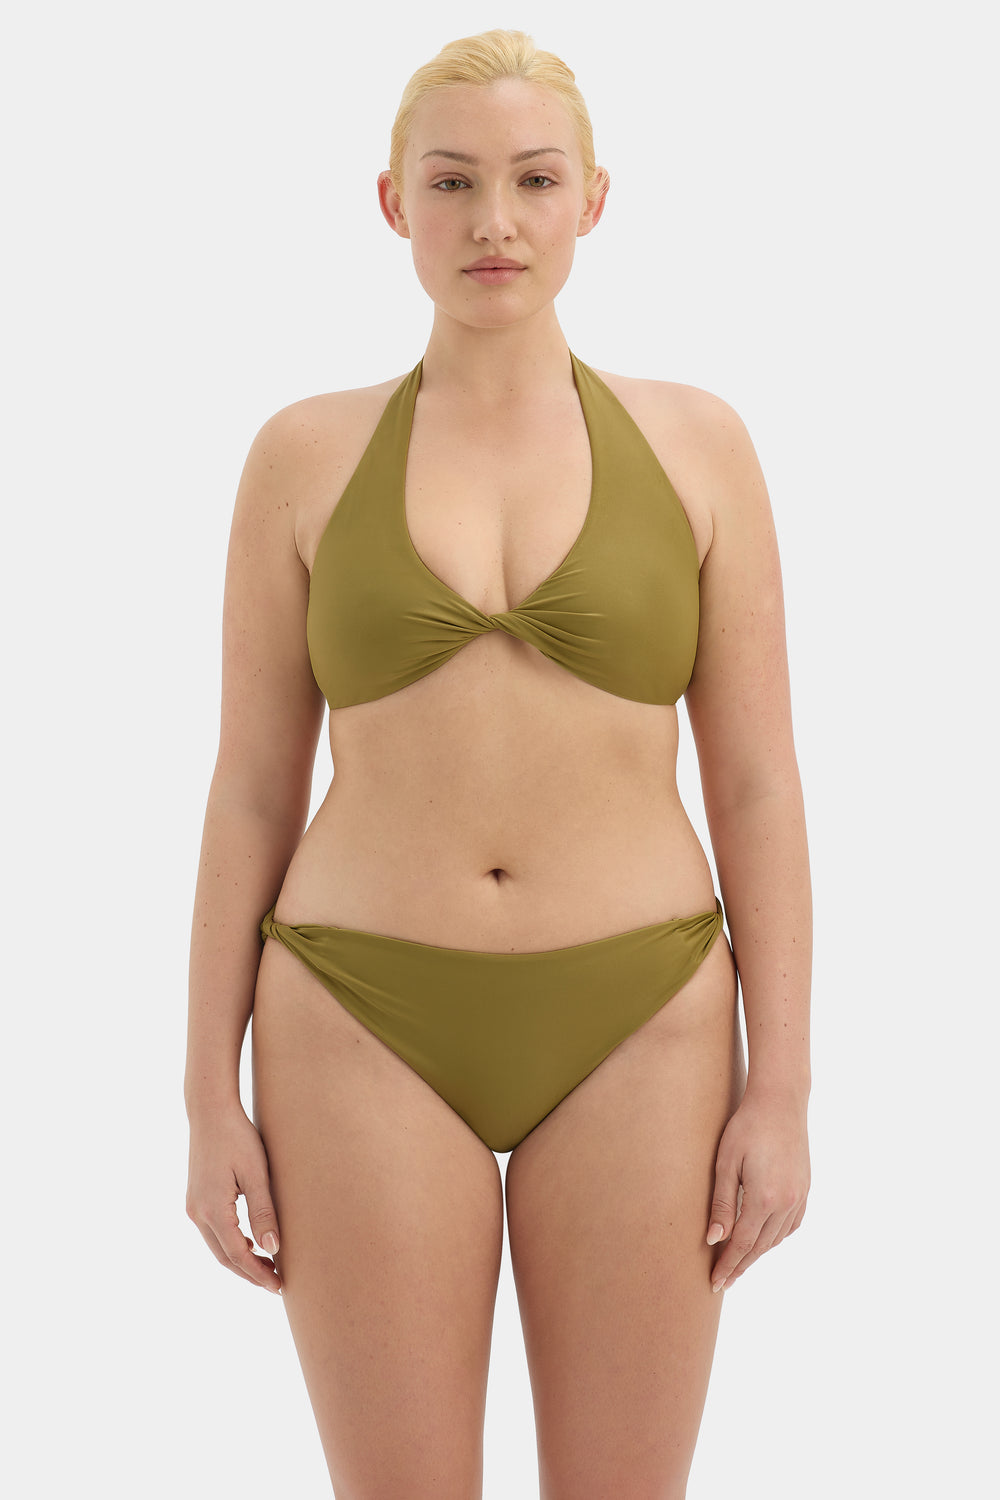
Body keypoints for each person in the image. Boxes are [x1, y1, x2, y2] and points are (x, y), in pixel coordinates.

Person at [184, 27, 811, 1499]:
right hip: (357, 1014)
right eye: (452, 181)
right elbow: (252, 784)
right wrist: (206, 1094)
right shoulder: (301, 455)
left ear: (594, 197)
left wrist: (782, 1088)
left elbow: (760, 784)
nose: (495, 222)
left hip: (644, 1012)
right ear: (392, 202)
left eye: (534, 180)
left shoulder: (702, 445)